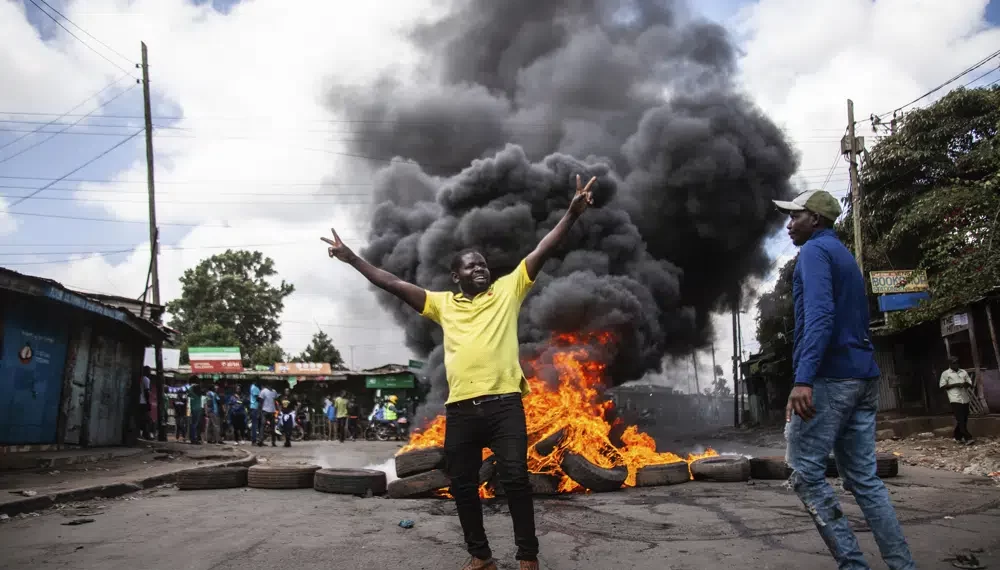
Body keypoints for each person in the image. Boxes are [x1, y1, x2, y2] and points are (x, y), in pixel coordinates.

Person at [322, 173, 599, 570]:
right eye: (471, 267)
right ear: (457, 277)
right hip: (462, 411)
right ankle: (480, 555)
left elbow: (543, 248)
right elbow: (393, 283)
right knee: (463, 486)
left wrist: (572, 214)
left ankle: (528, 556)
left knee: (517, 481)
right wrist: (352, 259)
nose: (480, 269)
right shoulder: (441, 304)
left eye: (483, 264)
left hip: (505, 407)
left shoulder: (508, 290)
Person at [774, 190, 915, 570]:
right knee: (864, 480)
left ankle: (853, 564)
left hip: (830, 379)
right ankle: (903, 565)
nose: (789, 225)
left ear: (815, 220)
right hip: (864, 377)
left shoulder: (815, 254)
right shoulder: (843, 255)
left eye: (796, 216)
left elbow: (819, 317)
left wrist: (804, 379)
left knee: (804, 474)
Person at [940, 356, 975, 443]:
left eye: (957, 362)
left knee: (964, 419)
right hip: (954, 398)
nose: (956, 364)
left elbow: (969, 383)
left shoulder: (963, 372)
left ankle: (957, 436)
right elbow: (942, 386)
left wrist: (965, 384)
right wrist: (955, 384)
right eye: (954, 363)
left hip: (965, 398)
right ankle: (968, 438)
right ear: (950, 364)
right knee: (960, 419)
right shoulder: (945, 373)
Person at [138, 366, 153, 440]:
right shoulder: (146, 379)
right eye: (149, 371)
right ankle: (146, 434)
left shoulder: (140, 379)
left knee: (142, 419)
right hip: (143, 402)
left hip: (139, 401)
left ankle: (144, 434)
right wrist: (148, 402)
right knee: (147, 419)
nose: (150, 373)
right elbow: (146, 392)